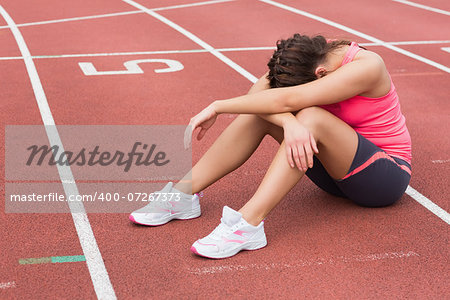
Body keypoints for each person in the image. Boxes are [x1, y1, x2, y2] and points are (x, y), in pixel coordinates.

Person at [130, 34, 412, 259]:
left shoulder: (368, 66)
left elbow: (286, 100)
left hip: (382, 176)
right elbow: (258, 94)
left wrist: (218, 106)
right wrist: (289, 123)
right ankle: (183, 195)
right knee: (263, 115)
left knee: (310, 117)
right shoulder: (304, 56)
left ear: (321, 73)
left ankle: (248, 224)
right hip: (334, 173)